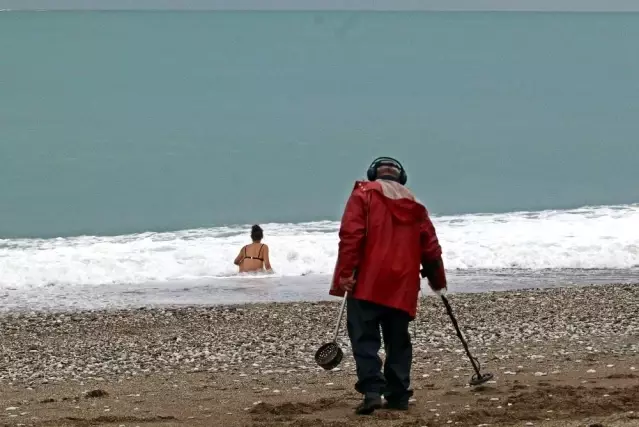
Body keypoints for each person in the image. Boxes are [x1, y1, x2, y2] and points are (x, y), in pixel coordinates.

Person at [329, 156, 448, 415]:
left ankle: (372, 392)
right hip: (402, 286)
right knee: (398, 340)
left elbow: (351, 236)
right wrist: (438, 281)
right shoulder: (416, 204)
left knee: (364, 338)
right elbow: (430, 247)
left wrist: (346, 273)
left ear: (374, 174)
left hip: (367, 282)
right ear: (400, 177)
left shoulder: (363, 194)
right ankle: (398, 395)